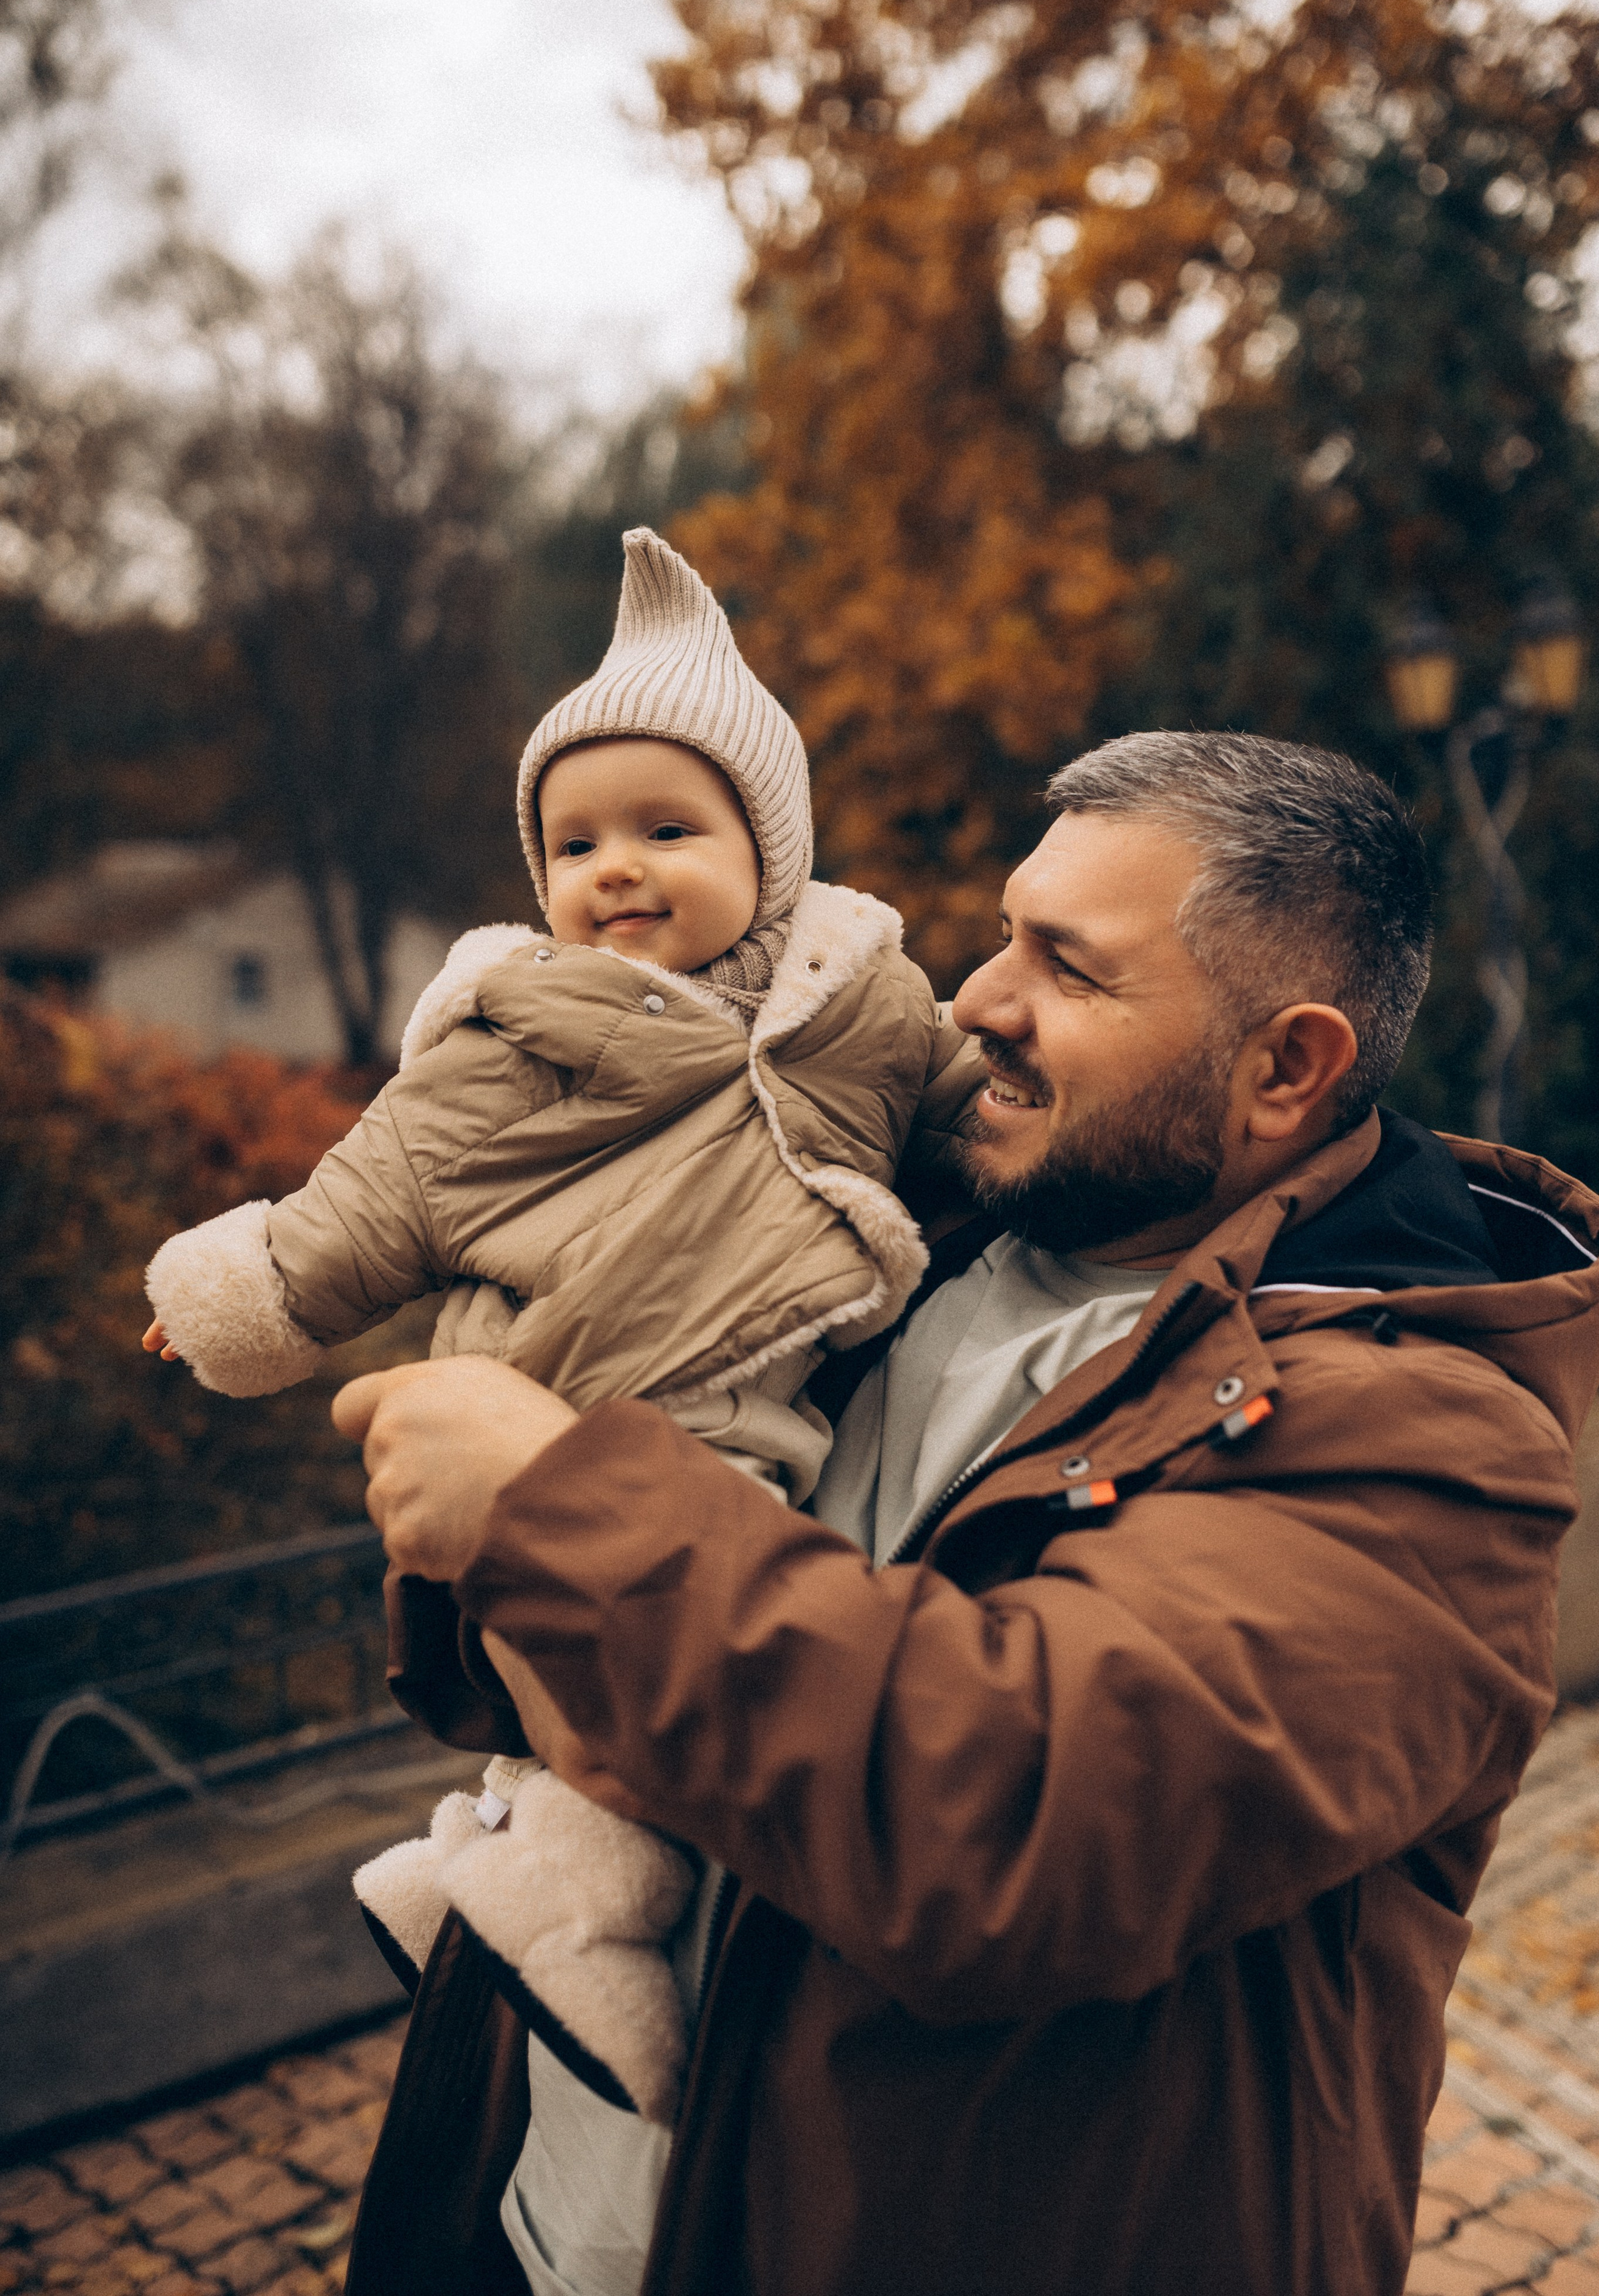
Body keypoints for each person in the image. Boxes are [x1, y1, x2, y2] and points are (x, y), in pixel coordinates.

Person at [335, 730, 1599, 2296]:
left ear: (1286, 1066)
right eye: (1002, 932)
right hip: (535, 2219)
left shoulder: (1429, 1443)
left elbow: (1021, 1818)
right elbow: (547, 1626)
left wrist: (548, 1506)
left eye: (1063, 966)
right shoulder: (904, 1219)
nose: (975, 999)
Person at [141, 525, 980, 2128]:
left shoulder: (860, 1003)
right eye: (576, 840)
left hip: (758, 1402)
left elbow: (956, 1104)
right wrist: (240, 1295)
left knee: (704, 1656)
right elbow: (371, 1194)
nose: (617, 868)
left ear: (773, 851)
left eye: (668, 826)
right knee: (638, 1687)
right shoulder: (514, 1037)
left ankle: (463, 1874)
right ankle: (570, 1910)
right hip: (561, 1406)